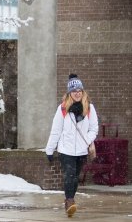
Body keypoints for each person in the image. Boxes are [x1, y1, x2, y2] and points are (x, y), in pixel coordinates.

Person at [45, 73, 98, 217]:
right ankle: (70, 201)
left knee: (75, 178)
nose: (77, 93)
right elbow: (55, 131)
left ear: (83, 92)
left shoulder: (89, 108)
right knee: (69, 175)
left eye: (80, 91)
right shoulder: (62, 109)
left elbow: (94, 129)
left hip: (81, 150)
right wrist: (50, 150)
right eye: (74, 91)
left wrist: (87, 140)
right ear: (70, 93)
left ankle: (69, 200)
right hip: (66, 150)